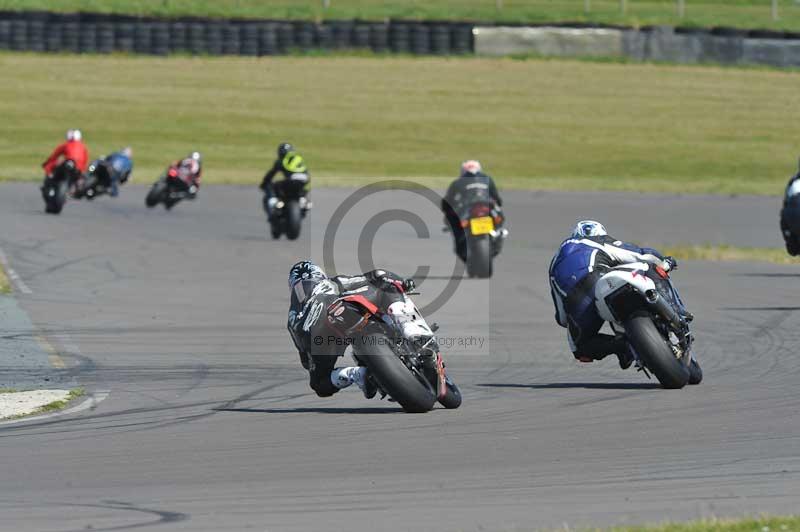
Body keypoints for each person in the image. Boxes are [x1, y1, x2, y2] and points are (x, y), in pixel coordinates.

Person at [548, 220, 681, 369]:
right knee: (649, 266)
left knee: (581, 348)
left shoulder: (554, 264)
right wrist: (665, 262)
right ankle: (676, 311)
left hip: (576, 303)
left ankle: (623, 347)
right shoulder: (594, 240)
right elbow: (639, 254)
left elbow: (562, 319)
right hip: (598, 278)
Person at [286, 261, 417, 399]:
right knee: (386, 285)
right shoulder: (332, 282)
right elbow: (374, 276)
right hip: (342, 311)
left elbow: (306, 359)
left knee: (319, 384)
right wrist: (401, 283)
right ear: (320, 275)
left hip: (320, 335)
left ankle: (356, 374)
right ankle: (411, 329)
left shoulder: (293, 316)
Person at [441, 160, 505, 261]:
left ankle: (498, 231)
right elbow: (497, 199)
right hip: (484, 208)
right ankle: (498, 231)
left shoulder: (458, 182)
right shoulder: (487, 179)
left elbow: (448, 201)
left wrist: (447, 214)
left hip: (470, 208)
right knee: (499, 216)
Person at [259, 143, 310, 219]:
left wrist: (264, 184)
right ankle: (304, 201)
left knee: (272, 186)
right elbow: (306, 172)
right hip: (304, 180)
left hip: (291, 181)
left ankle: (273, 202)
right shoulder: (298, 158)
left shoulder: (282, 160)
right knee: (302, 190)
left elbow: (271, 174)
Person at [780, 157, 800, 255]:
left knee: (784, 214)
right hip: (795, 217)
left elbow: (785, 204)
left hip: (793, 218)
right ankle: (792, 242)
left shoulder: (793, 180)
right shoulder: (793, 181)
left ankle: (791, 241)